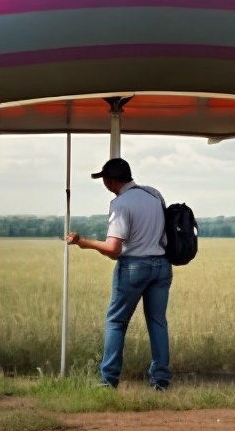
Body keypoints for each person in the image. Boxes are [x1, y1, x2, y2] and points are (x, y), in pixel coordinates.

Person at [66, 157, 172, 390]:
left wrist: (83, 242)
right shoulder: (153, 194)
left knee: (116, 321)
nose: (104, 183)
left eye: (104, 179)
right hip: (162, 266)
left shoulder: (121, 204)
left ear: (111, 180)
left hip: (134, 267)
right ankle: (161, 380)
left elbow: (114, 250)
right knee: (157, 322)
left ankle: (109, 380)